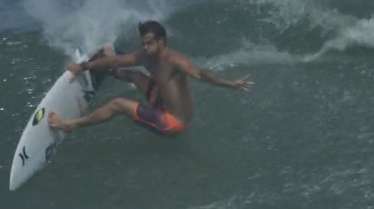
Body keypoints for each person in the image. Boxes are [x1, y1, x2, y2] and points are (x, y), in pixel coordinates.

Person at [47, 20, 253, 137]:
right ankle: (102, 70)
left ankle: (71, 125)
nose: (145, 47)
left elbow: (201, 74)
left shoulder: (176, 61)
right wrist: (84, 66)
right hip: (163, 104)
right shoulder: (146, 56)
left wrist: (231, 83)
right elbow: (121, 60)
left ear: (161, 41)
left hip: (173, 123)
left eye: (150, 43)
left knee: (118, 104)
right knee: (133, 74)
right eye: (144, 43)